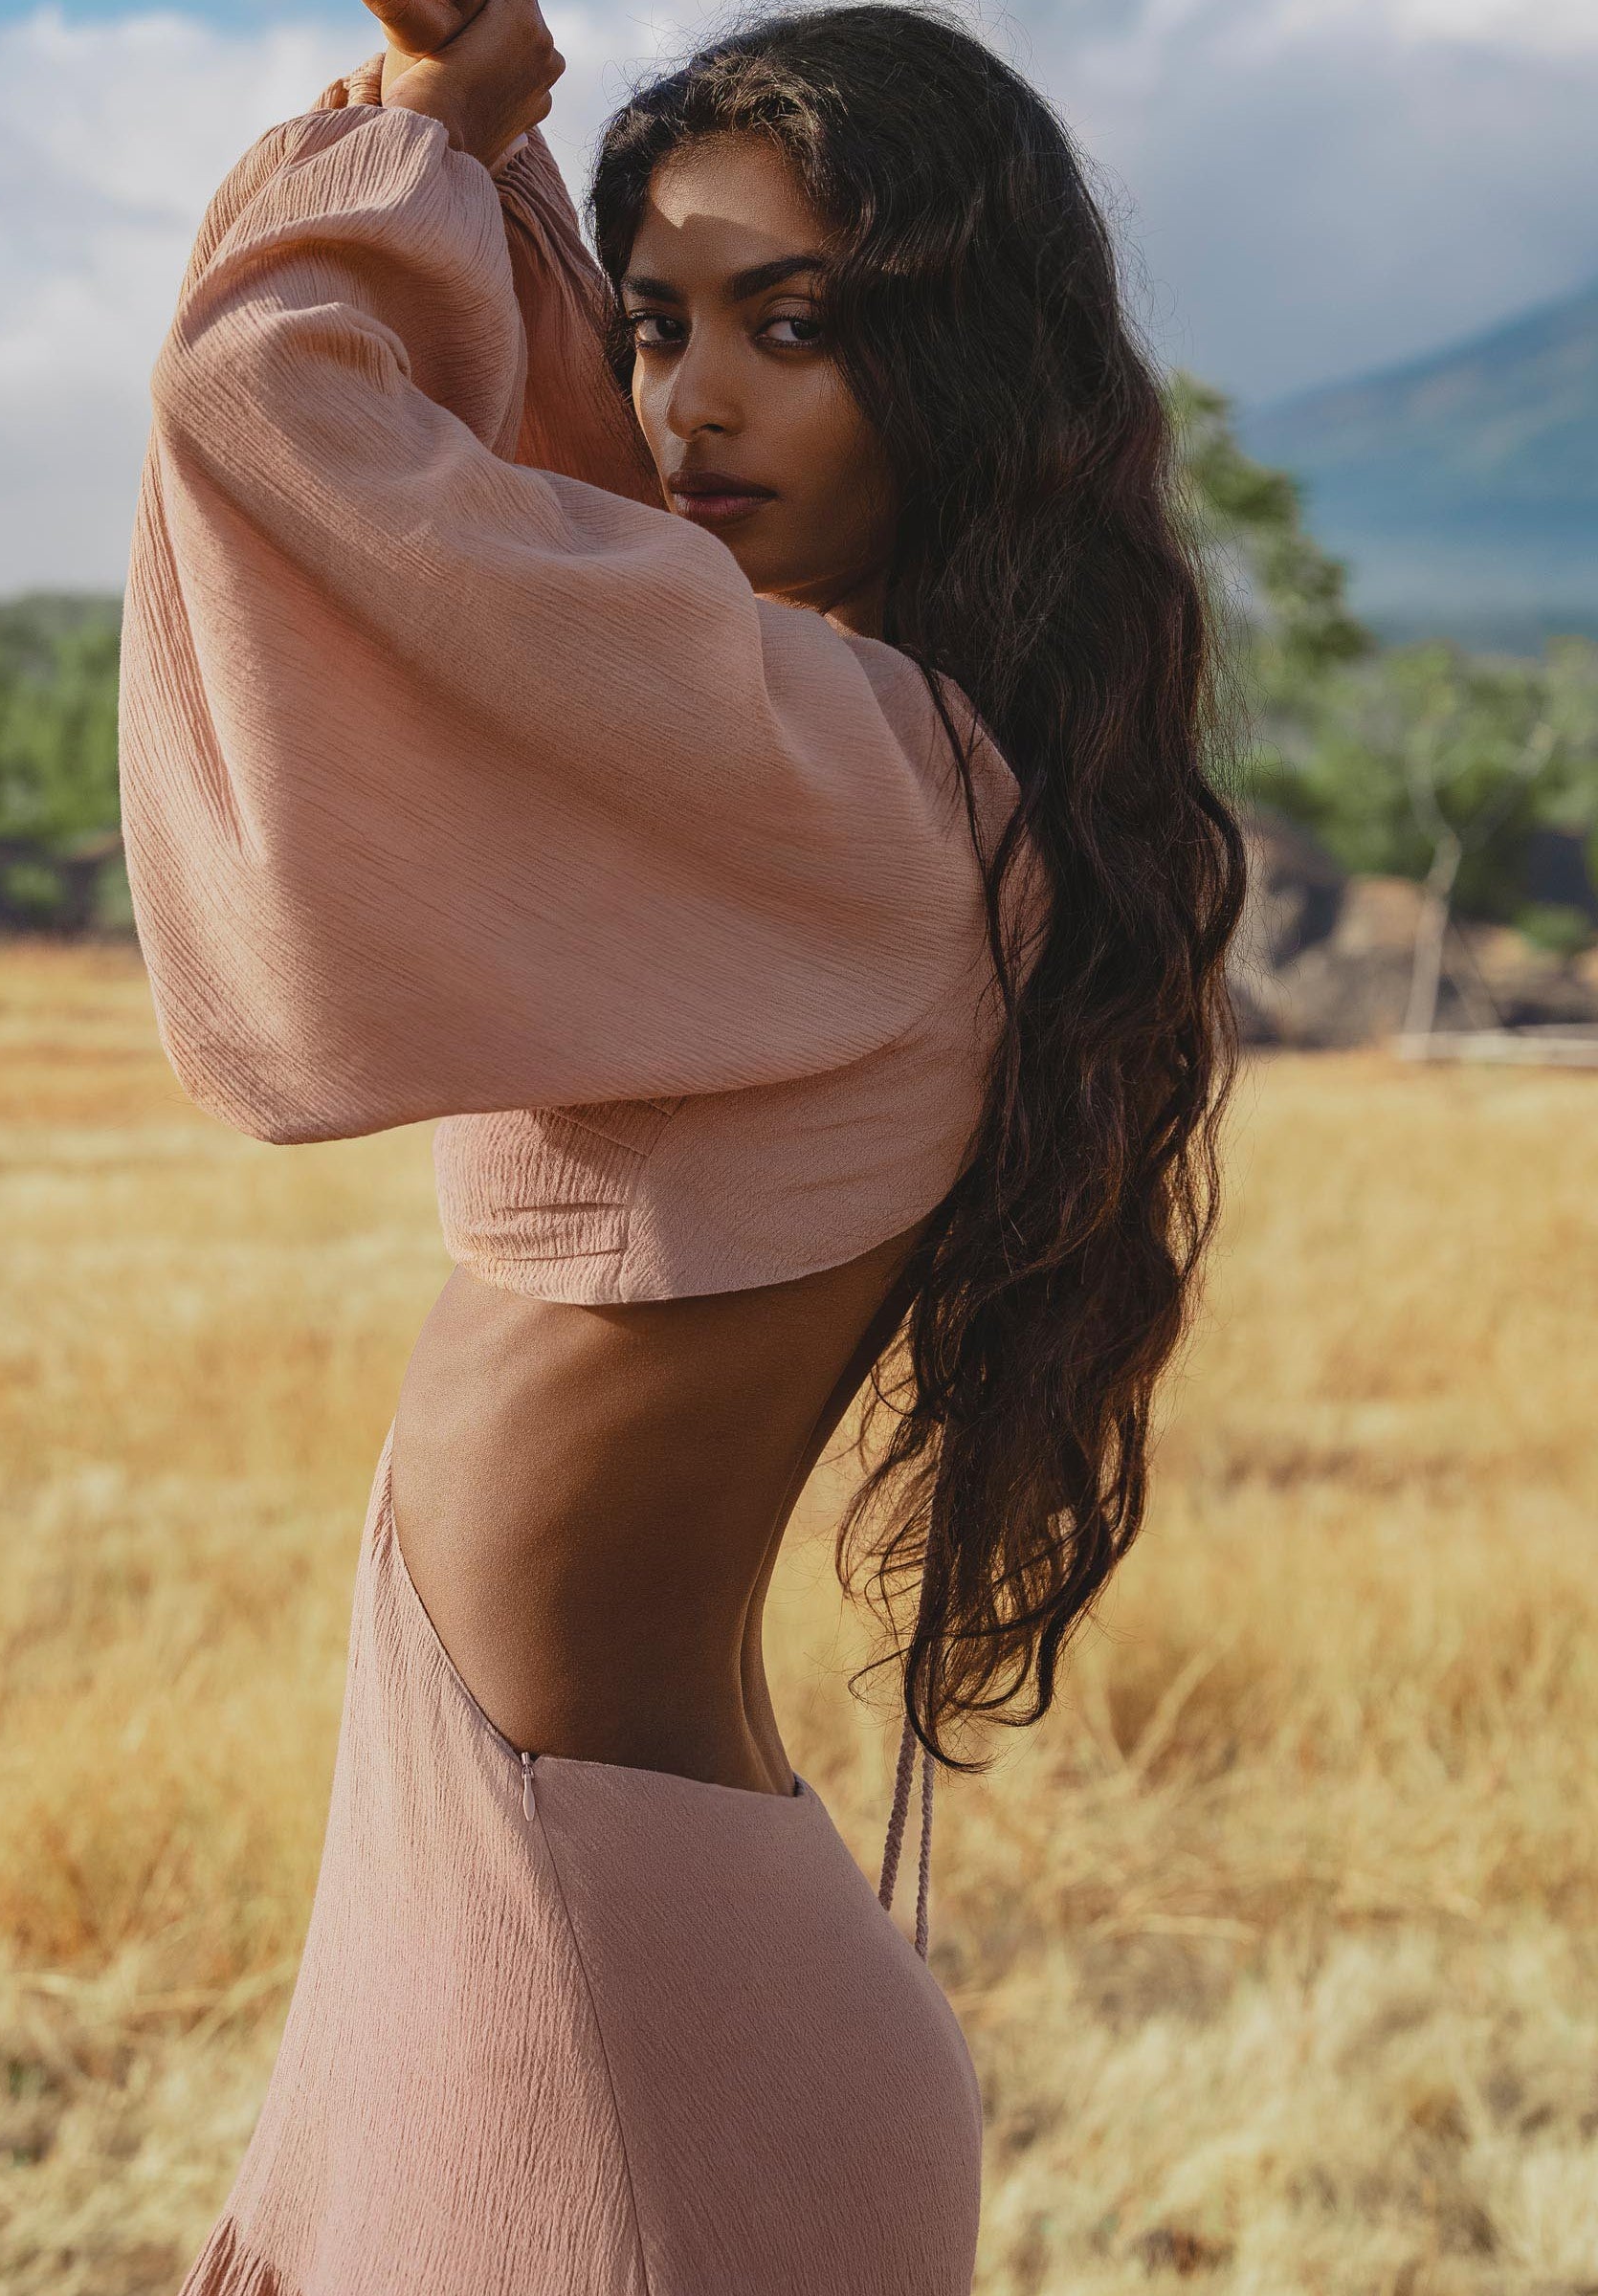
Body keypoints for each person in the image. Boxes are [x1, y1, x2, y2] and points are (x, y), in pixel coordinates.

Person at [118, 0, 1245, 2286]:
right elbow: (561, 541)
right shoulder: (850, 734)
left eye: (795, 326)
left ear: (965, 368)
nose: (688, 405)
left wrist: (424, 144)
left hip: (603, 2000)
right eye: (653, 327)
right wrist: (494, 168)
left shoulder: (841, 761)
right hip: (567, 1910)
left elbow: (280, 421)